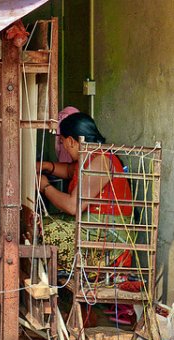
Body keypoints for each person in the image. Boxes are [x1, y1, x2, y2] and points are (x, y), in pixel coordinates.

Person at [37, 112, 134, 275]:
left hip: (108, 233)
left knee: (46, 229)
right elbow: (70, 171)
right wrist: (46, 166)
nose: (64, 148)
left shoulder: (101, 160)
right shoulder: (91, 156)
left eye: (63, 142)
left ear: (70, 141)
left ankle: (59, 276)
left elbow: (72, 206)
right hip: (96, 226)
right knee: (39, 221)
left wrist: (45, 187)